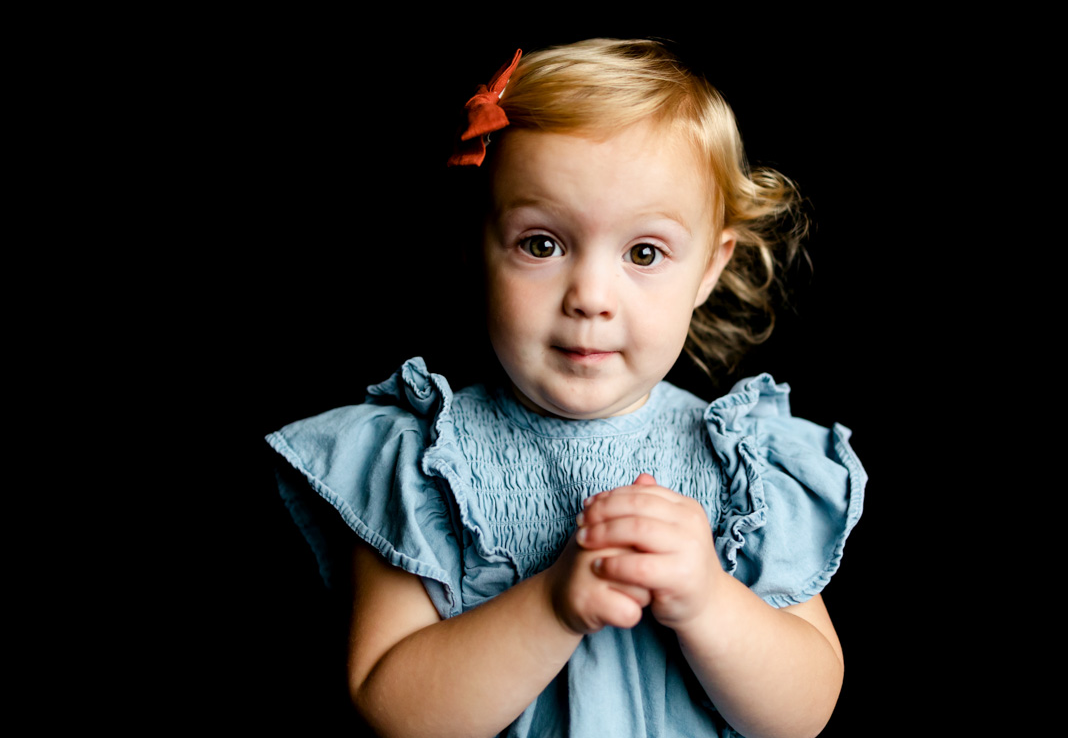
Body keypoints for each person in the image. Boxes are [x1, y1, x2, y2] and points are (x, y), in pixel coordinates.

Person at [267, 38, 866, 738]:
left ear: (709, 266)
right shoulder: (426, 463)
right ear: (474, 243)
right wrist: (552, 604)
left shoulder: (747, 467)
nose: (590, 296)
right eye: (541, 244)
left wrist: (708, 600)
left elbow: (803, 712)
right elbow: (394, 708)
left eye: (644, 253)